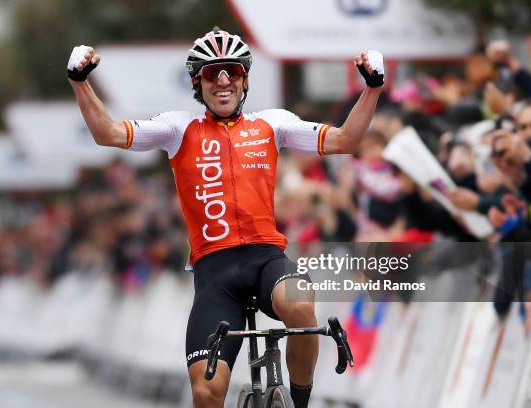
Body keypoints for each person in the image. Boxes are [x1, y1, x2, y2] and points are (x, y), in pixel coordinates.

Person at [67, 27, 384, 408]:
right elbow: (109, 134)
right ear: (196, 82)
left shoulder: (273, 123)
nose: (222, 80)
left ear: (244, 79)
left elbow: (345, 141)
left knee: (300, 305)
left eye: (231, 71)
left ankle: (301, 404)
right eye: (210, 72)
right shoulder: (177, 128)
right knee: (205, 394)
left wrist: (372, 89)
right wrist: (80, 82)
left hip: (267, 259)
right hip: (215, 274)